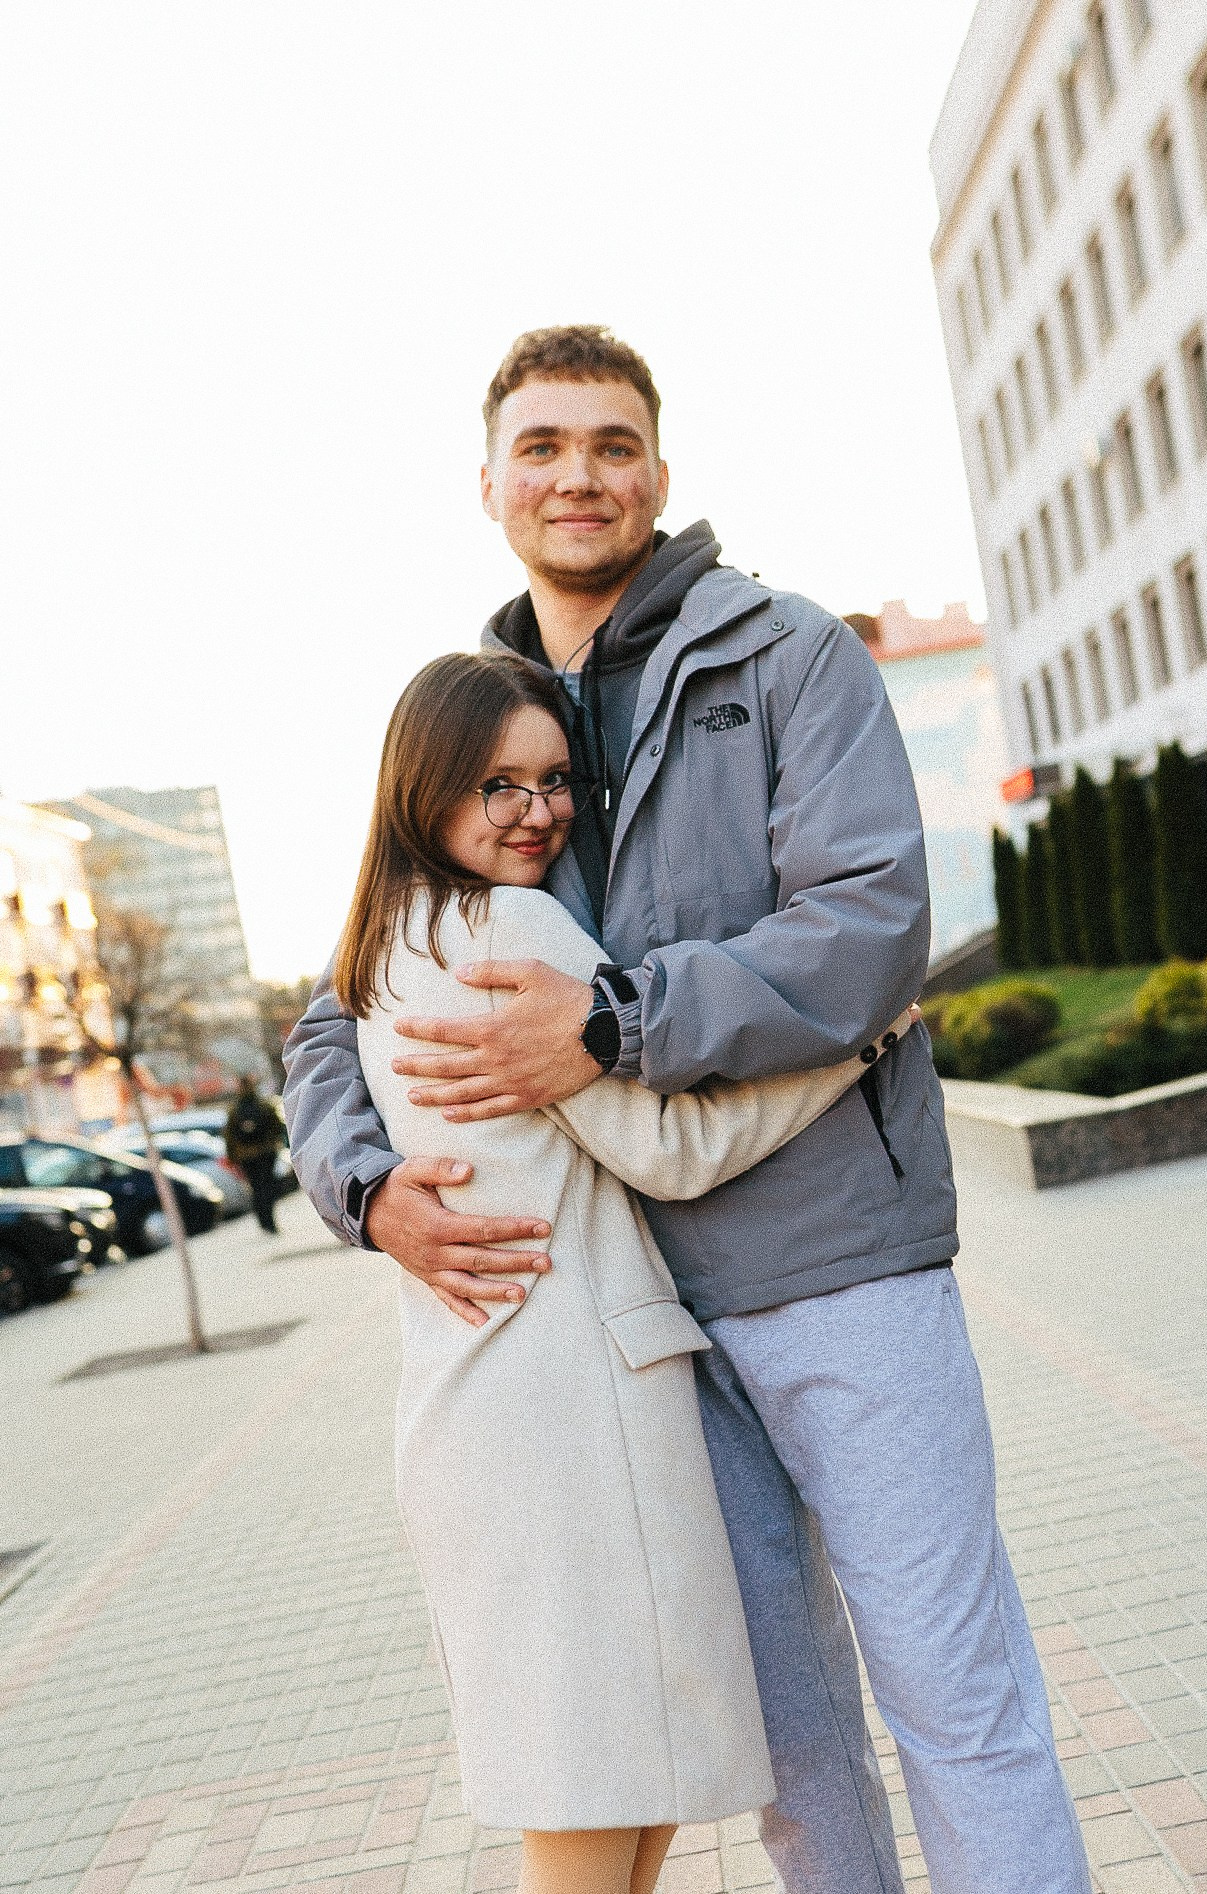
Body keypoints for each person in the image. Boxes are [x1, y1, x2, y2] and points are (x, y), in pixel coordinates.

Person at [284, 326, 1090, 1894]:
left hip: (841, 1268)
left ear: (657, 470)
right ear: (489, 482)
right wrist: (365, 1185)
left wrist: (611, 1020)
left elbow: (867, 920)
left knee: (953, 1697)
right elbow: (344, 995)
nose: (576, 473)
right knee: (788, 1756)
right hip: (641, 1337)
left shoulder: (784, 653)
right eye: (541, 445)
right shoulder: (483, 718)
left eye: (609, 442)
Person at [333, 649, 912, 1894]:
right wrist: (854, 1038)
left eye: (552, 781)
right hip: (566, 1425)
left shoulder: (388, 945)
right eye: (496, 784)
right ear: (423, 789)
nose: (535, 811)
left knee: (621, 1814)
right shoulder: (513, 927)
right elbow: (673, 1148)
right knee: (595, 1825)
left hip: (489, 1410)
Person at [224, 1076, 287, 1232]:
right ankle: (269, 1221)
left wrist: (232, 1157)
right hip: (265, 1153)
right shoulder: (263, 1105)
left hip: (247, 1156)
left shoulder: (234, 1110)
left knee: (257, 1189)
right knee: (267, 1187)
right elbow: (278, 1127)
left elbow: (229, 1136)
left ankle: (264, 1221)